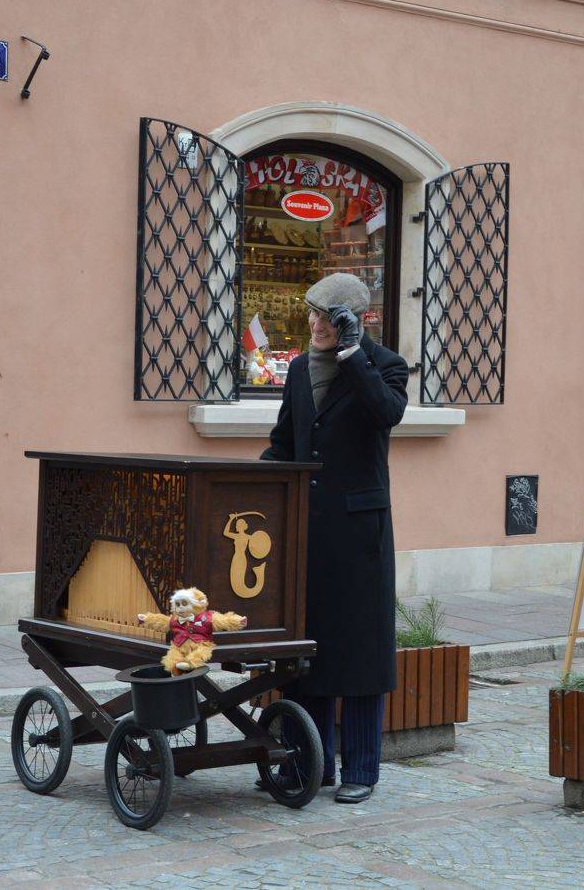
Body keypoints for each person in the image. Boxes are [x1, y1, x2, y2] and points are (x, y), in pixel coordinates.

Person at [260, 273, 407, 804]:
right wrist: (252, 483)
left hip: (360, 532)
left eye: (327, 318)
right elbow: (284, 443)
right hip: (308, 529)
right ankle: (309, 765)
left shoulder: (384, 364)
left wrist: (352, 353)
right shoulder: (300, 369)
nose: (315, 325)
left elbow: (386, 413)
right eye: (313, 314)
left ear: (352, 321)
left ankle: (361, 770)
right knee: (307, 647)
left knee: (361, 650)